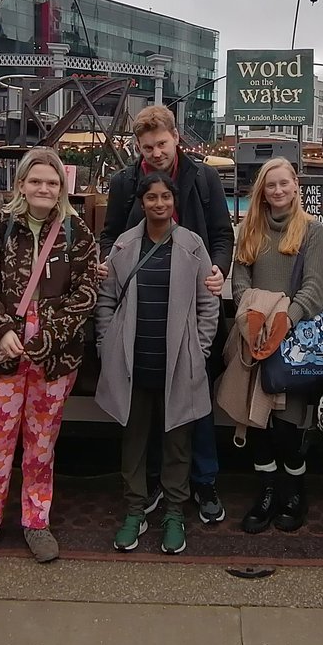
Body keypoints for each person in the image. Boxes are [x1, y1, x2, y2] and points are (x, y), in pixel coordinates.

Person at [0, 147, 99, 565]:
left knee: (42, 443)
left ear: (63, 188)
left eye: (52, 182)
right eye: (36, 181)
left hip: (54, 358)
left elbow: (86, 294)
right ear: (21, 184)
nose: (44, 188)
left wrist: (50, 335)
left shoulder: (78, 235)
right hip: (0, 352)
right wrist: (0, 329)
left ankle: (36, 521)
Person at [98, 105, 233, 525]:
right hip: (144, 307)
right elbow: (111, 235)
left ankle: (203, 480)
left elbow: (222, 234)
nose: (155, 153)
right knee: (147, 404)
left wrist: (218, 269)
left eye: (161, 143)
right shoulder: (124, 183)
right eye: (147, 147)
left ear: (176, 137)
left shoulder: (203, 177)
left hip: (192, 305)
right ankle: (154, 483)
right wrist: (107, 264)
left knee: (196, 401)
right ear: (136, 147)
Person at [95, 171, 219, 555]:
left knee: (177, 441)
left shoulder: (192, 245)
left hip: (178, 362)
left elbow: (207, 304)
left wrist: (199, 350)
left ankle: (174, 512)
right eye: (152, 198)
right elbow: (106, 300)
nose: (159, 204)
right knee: (133, 440)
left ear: (174, 200)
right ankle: (135, 509)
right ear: (142, 202)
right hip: (133, 360)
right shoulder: (123, 245)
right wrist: (106, 346)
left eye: (166, 197)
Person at [230, 157, 323, 534]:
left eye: (284, 183)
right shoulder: (248, 229)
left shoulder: (311, 231)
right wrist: (250, 320)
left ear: (295, 185)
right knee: (258, 422)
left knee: (288, 426)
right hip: (252, 336)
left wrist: (284, 320)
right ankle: (267, 491)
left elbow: (315, 288)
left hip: (291, 342)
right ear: (262, 190)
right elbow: (239, 280)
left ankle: (294, 491)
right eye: (271, 185)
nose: (278, 190)